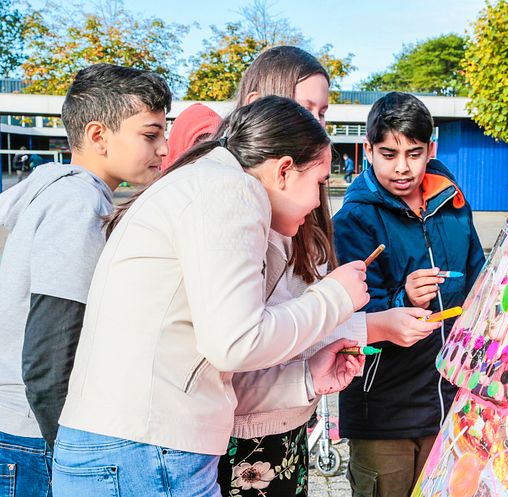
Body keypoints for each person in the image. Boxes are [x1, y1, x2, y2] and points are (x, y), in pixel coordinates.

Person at [52, 96, 370, 497]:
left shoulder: (204, 183)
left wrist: (306, 375)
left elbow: (205, 364)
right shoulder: (231, 190)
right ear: (284, 170)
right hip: (148, 453)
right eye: (319, 183)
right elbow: (236, 343)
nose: (317, 202)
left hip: (132, 449)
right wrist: (334, 297)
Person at [217, 45, 438, 497]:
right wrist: (363, 309)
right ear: (259, 103)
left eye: (323, 112)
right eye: (306, 108)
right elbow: (243, 339)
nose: (317, 124)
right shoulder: (231, 204)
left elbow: (306, 322)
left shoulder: (296, 205)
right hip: (236, 428)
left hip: (291, 414)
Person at [0, 63, 171, 497]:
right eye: (150, 135)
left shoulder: (45, 185)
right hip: (33, 437)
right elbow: (49, 354)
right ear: (99, 136)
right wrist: (73, 455)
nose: (165, 148)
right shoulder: (77, 205)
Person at [333, 92, 486, 497]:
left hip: (451, 401)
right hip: (384, 411)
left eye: (414, 154)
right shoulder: (354, 220)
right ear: (368, 150)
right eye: (388, 154)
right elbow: (345, 318)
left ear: (430, 149)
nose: (402, 167)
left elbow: (477, 281)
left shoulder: (453, 205)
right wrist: (405, 299)